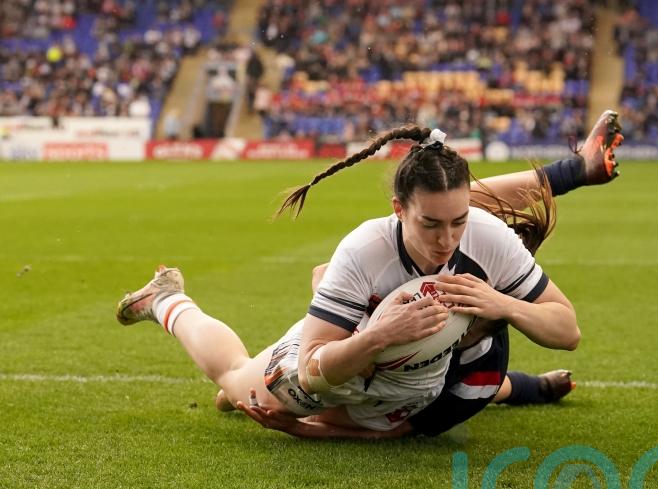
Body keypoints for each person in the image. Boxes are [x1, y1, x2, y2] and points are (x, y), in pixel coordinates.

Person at [117, 111, 623, 438]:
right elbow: (315, 367)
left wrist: (503, 304)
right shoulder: (367, 246)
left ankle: (574, 171)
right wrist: (376, 335)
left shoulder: (484, 248)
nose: (448, 240)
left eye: (459, 222)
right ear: (397, 210)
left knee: (434, 375)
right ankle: (166, 299)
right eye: (430, 224)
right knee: (239, 380)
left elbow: (566, 331)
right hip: (345, 353)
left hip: (400, 384)